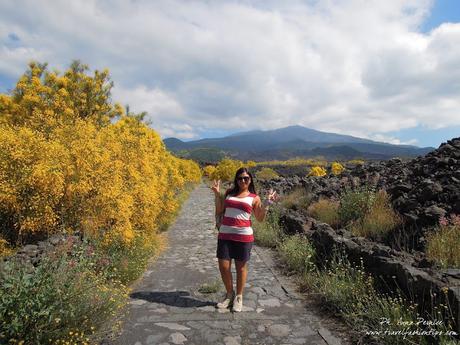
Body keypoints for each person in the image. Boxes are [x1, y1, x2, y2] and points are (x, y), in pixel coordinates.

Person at [211, 167, 277, 312]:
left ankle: (239, 297)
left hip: (243, 236)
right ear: (236, 179)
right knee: (224, 266)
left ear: (250, 180)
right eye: (240, 178)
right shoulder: (229, 193)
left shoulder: (254, 197)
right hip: (225, 234)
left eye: (246, 178)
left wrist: (267, 204)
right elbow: (219, 210)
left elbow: (259, 218)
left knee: (241, 268)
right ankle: (229, 294)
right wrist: (217, 194)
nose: (243, 180)